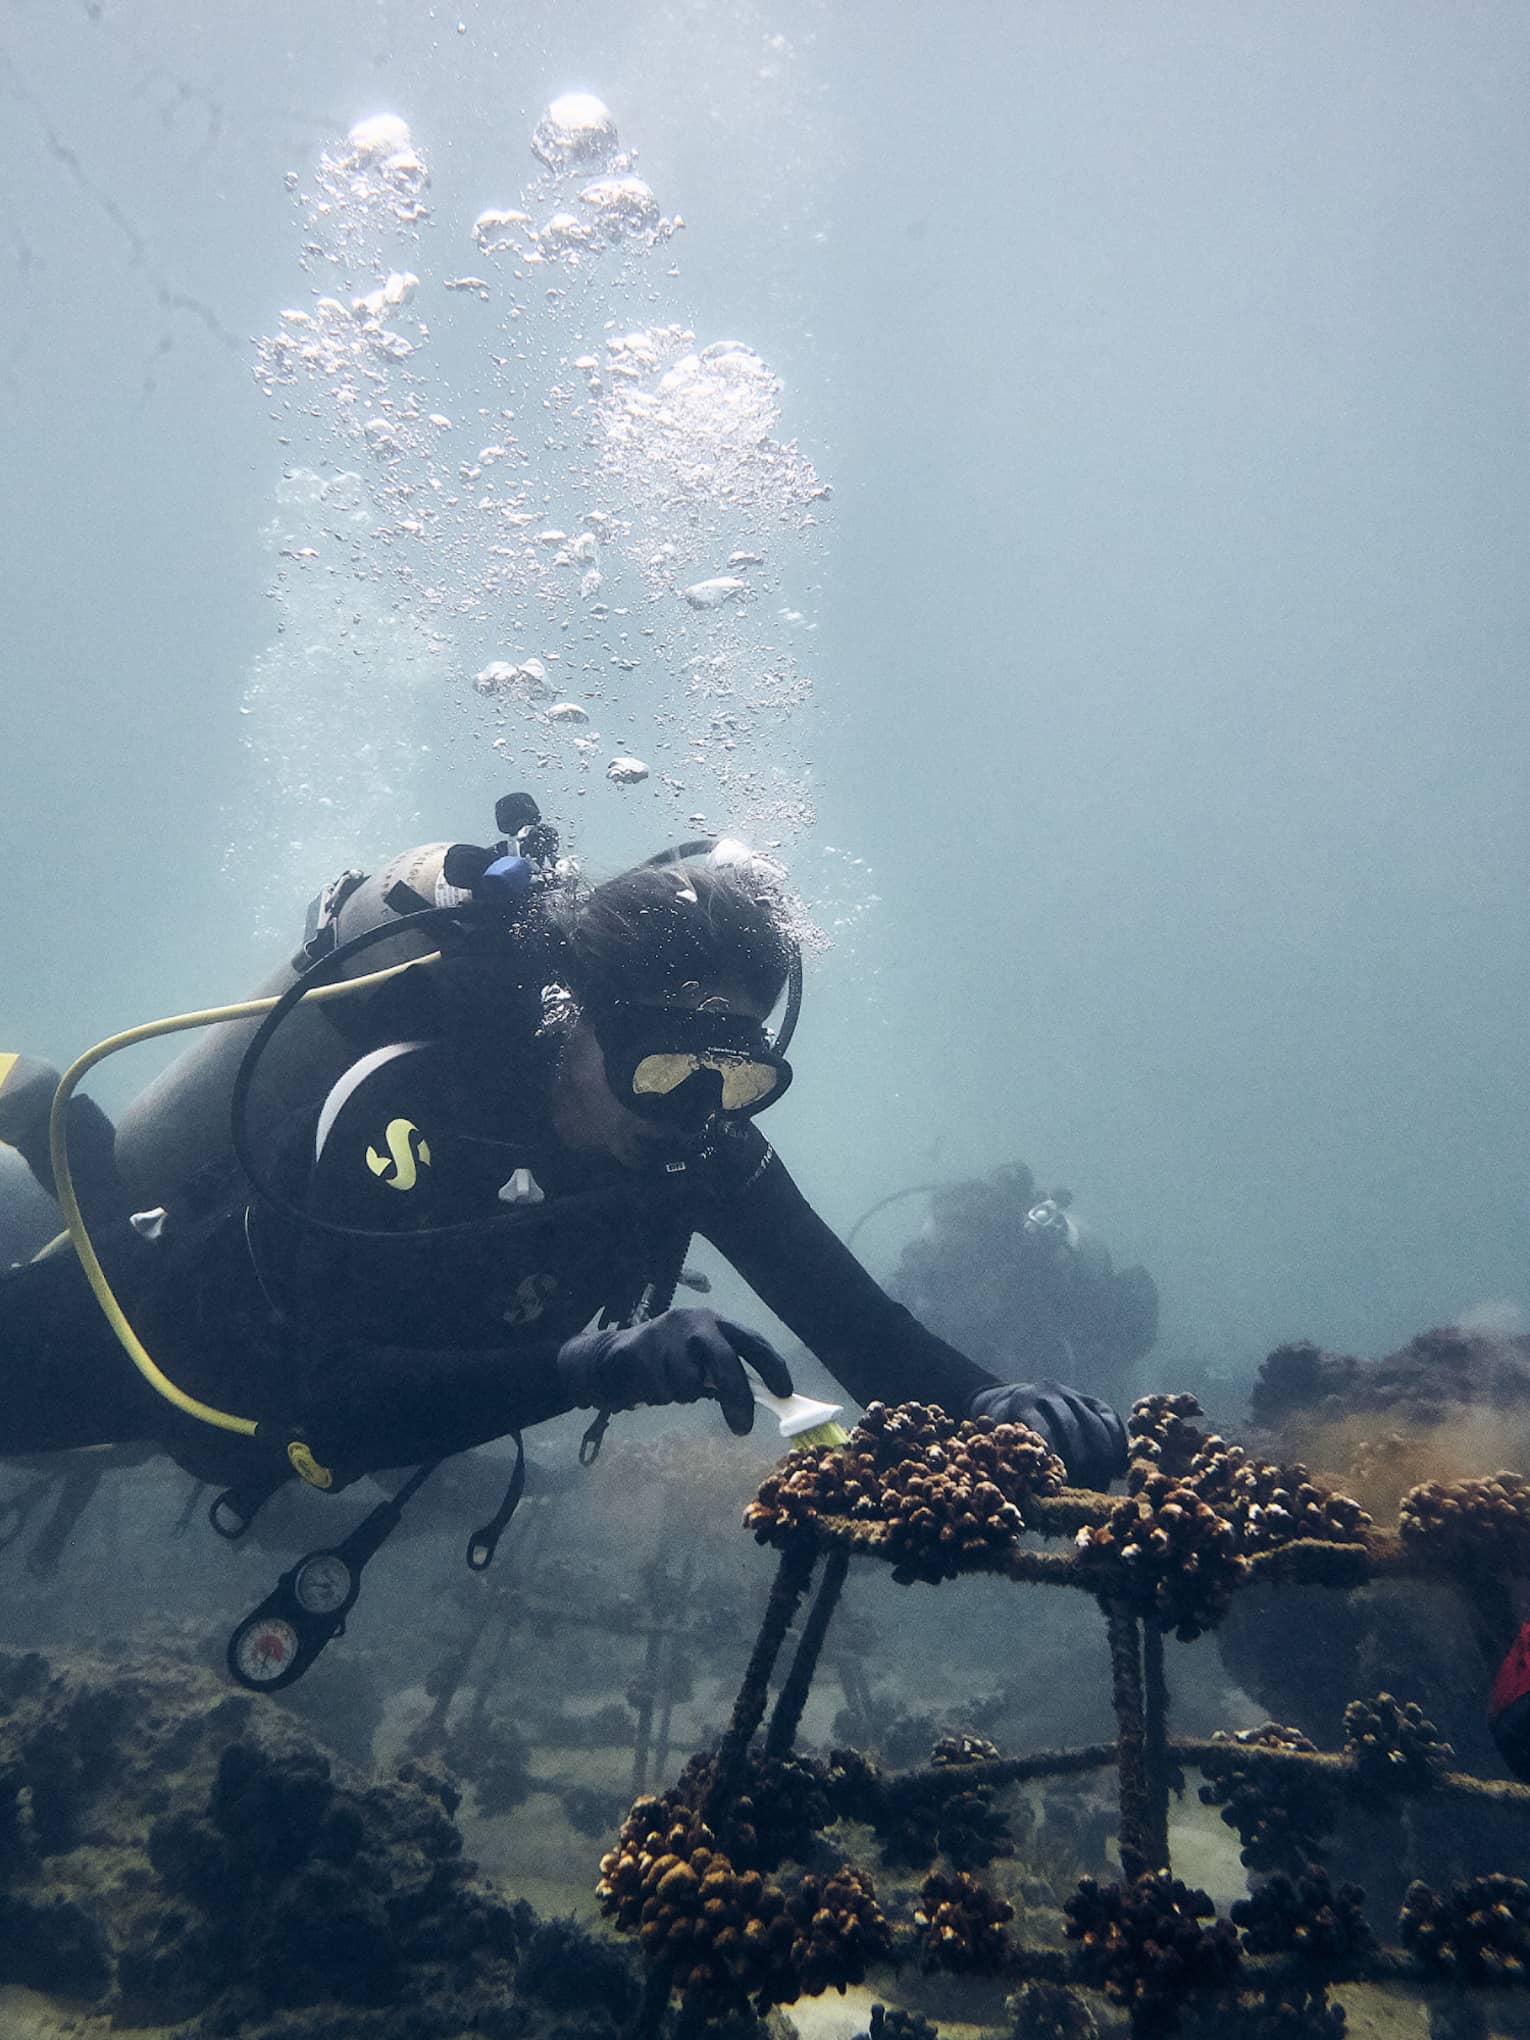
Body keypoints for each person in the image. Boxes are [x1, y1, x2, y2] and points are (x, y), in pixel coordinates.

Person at [0, 803, 1126, 1531]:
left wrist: (990, 1402)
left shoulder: (697, 1148)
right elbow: (325, 1398)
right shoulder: (417, 1108)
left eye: (736, 1077)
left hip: (243, 1439)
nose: (696, 1111)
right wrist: (590, 1365)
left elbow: (863, 1329)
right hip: (128, 1338)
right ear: (574, 1020)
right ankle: (43, 1122)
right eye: (664, 1068)